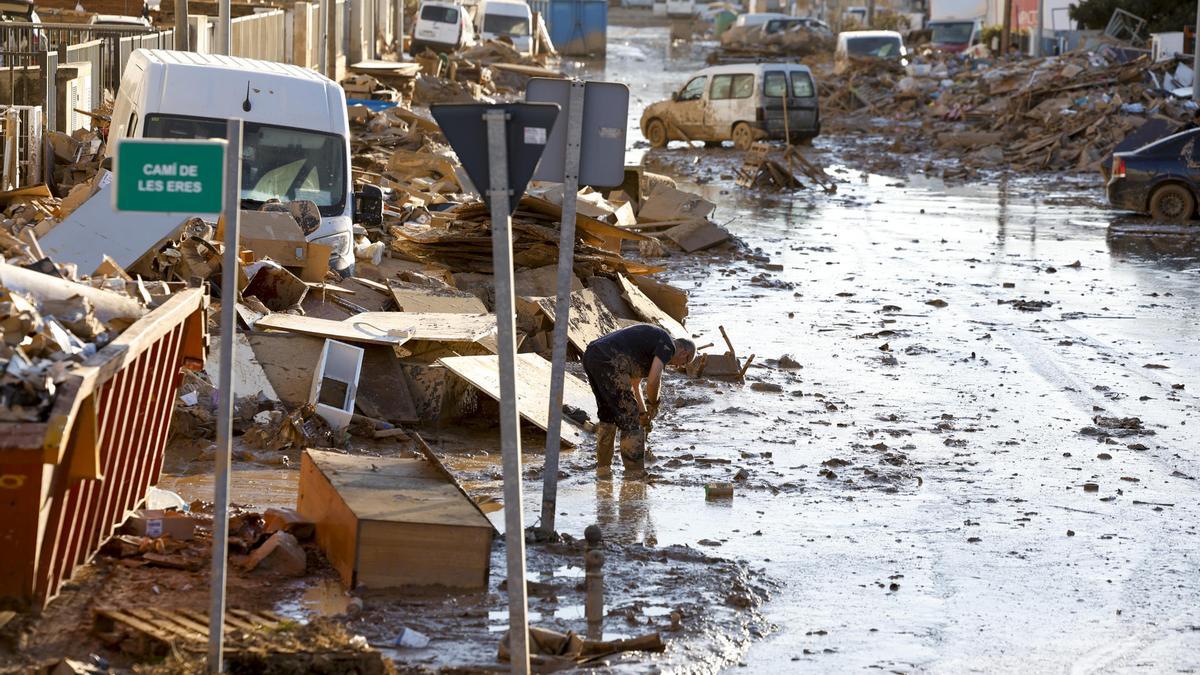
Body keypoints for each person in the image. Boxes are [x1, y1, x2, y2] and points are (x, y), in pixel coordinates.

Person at [582, 324, 695, 476]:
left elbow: (635, 384)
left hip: (592, 355)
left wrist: (643, 412)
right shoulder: (668, 345)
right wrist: (654, 403)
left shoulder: (650, 347)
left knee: (607, 415)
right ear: (684, 352)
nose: (677, 366)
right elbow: (654, 381)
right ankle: (634, 474)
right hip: (610, 360)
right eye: (683, 362)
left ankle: (603, 469)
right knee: (630, 420)